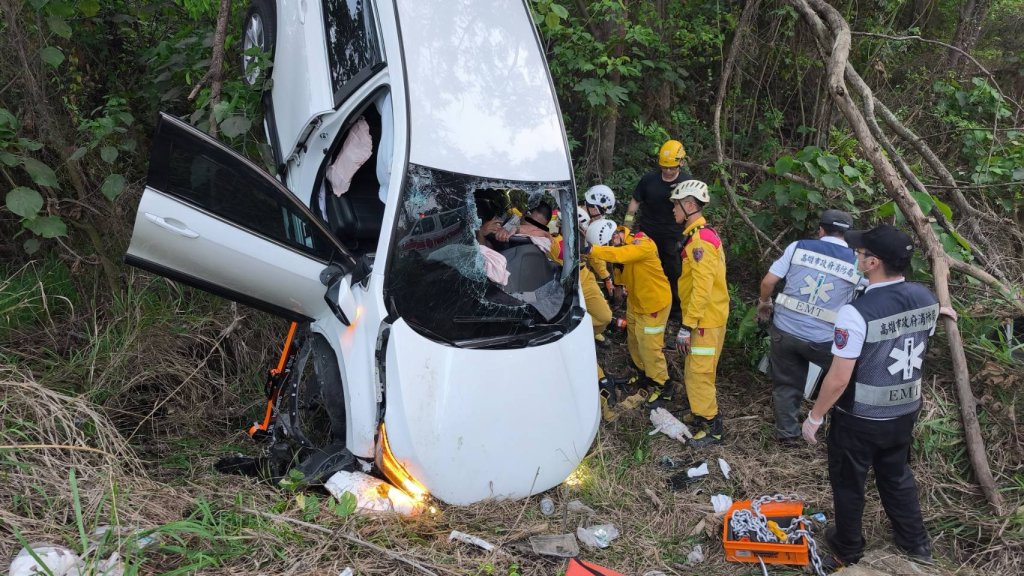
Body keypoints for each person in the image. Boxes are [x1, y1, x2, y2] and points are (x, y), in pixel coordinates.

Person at [802, 224, 956, 569]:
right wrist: (941, 310)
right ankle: (916, 544)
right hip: (904, 412)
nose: (856, 256)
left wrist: (815, 417)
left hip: (860, 418)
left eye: (860, 253)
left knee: (848, 482)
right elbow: (921, 328)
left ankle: (848, 547)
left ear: (873, 263)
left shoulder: (856, 313)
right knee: (896, 474)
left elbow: (839, 378)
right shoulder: (926, 299)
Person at [756, 209, 858, 444]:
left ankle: (787, 435)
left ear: (820, 230)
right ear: (847, 234)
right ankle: (838, 433)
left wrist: (764, 304)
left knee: (787, 384)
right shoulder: (856, 260)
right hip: (824, 340)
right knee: (844, 381)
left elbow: (768, 282)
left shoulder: (798, 247)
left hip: (785, 331)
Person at [669, 180, 729, 447]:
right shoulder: (700, 235)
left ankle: (711, 425)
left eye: (676, 204)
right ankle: (701, 413)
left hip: (705, 320)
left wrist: (687, 325)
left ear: (690, 205)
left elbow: (702, 289)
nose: (673, 210)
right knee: (699, 370)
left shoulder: (700, 242)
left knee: (699, 373)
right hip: (708, 318)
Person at [589, 224, 671, 402]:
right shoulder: (619, 253)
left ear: (616, 235)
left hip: (654, 303)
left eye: (609, 243)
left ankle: (662, 385)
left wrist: (590, 250)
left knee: (650, 346)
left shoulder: (641, 243)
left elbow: (622, 254)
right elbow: (620, 272)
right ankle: (644, 374)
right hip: (636, 302)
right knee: (634, 340)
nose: (611, 247)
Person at [625, 140, 691, 319]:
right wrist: (626, 227)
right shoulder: (649, 180)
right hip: (648, 233)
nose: (668, 171)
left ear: (681, 163)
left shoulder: (686, 183)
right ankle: (644, 304)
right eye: (664, 167)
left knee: (674, 272)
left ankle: (675, 311)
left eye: (672, 168)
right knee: (645, 270)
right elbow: (635, 202)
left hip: (673, 236)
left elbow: (693, 209)